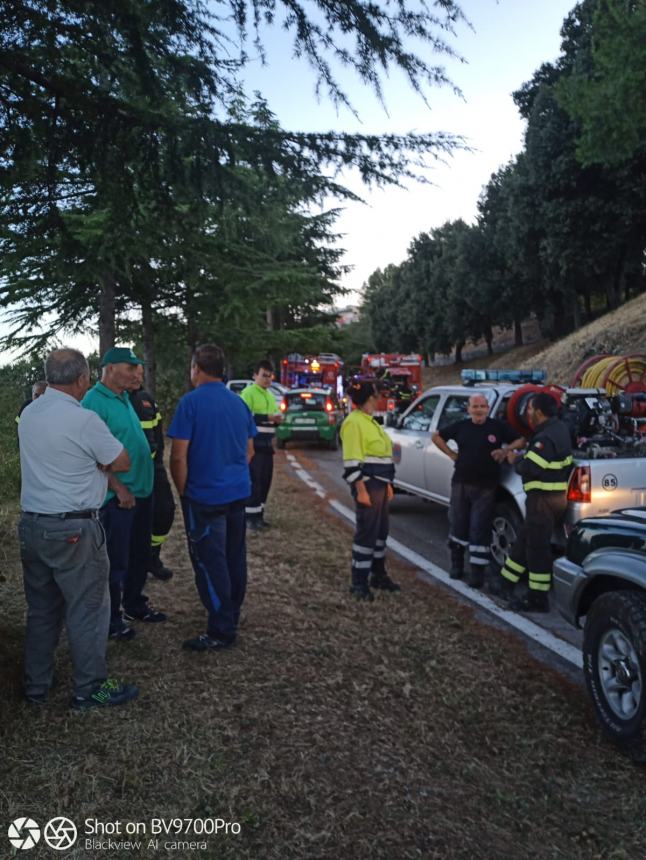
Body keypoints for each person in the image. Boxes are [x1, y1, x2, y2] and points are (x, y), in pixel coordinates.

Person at [18, 347, 138, 709]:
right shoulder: (82, 419)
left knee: (42, 609)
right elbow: (121, 460)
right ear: (82, 379)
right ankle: (90, 689)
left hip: (33, 525)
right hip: (74, 529)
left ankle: (36, 686)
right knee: (87, 609)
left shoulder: (30, 413)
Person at [168, 343, 257, 651]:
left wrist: (183, 490)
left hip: (204, 497)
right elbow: (249, 451)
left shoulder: (190, 404)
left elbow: (178, 457)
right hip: (237, 493)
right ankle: (232, 612)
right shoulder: (239, 403)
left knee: (209, 561)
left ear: (196, 369)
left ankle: (221, 629)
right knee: (234, 555)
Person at [82, 346, 162, 640]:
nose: (135, 374)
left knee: (139, 555)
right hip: (118, 498)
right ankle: (112, 620)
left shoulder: (124, 398)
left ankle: (134, 604)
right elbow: (92, 453)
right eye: (130, 368)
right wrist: (118, 487)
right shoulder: (93, 401)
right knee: (115, 562)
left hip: (142, 491)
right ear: (111, 368)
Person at [432, 394, 525, 588]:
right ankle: (456, 566)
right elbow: (436, 436)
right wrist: (451, 454)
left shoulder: (497, 427)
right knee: (458, 525)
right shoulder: (461, 426)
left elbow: (521, 440)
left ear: (488, 408)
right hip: (461, 484)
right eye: (475, 406)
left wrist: (506, 451)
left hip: (486, 487)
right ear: (468, 409)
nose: (479, 410)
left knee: (480, 528)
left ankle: (477, 574)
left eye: (483, 406)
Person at [497, 392, 573, 612]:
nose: (527, 413)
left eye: (529, 409)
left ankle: (538, 598)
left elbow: (531, 467)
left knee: (537, 549)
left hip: (543, 500)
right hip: (552, 499)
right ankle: (505, 582)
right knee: (524, 539)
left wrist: (515, 459)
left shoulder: (544, 438)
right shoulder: (559, 429)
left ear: (538, 413)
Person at [340, 380, 400, 600]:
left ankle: (378, 574)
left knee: (380, 533)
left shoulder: (369, 421)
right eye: (375, 397)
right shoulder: (354, 423)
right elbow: (352, 461)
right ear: (367, 399)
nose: (378, 400)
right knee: (367, 533)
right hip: (368, 484)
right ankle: (358, 581)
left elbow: (383, 456)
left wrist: (388, 486)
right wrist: (361, 489)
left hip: (380, 484)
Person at [127, 364, 176, 581]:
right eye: (133, 372)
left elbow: (157, 434)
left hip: (154, 469)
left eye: (140, 372)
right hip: (129, 472)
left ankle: (152, 557)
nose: (138, 376)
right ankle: (133, 563)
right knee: (133, 522)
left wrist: (158, 462)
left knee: (165, 511)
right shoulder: (118, 400)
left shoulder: (147, 399)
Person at [240, 359, 283, 530]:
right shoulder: (248, 393)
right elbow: (244, 418)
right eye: (264, 376)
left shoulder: (270, 396)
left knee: (265, 481)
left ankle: (259, 515)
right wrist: (267, 418)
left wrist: (278, 420)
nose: (267, 379)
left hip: (267, 446)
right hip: (254, 445)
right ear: (255, 375)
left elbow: (273, 416)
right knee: (254, 481)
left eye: (270, 376)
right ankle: (250, 518)